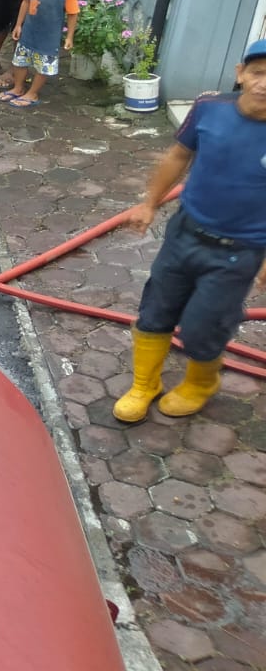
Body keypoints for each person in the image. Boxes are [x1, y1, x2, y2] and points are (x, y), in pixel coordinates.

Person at [112, 40, 266, 423]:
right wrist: (149, 202)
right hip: (185, 233)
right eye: (258, 73)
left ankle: (201, 384)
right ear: (240, 74)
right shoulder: (210, 108)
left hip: (240, 251)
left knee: (204, 326)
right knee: (155, 310)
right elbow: (178, 155)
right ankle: (144, 384)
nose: (265, 84)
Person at [3, 0, 78, 108]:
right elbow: (26, 1)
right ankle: (18, 87)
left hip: (48, 37)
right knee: (19, 61)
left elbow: (73, 14)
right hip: (29, 32)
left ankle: (33, 93)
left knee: (42, 67)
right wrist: (18, 24)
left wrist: (70, 36)